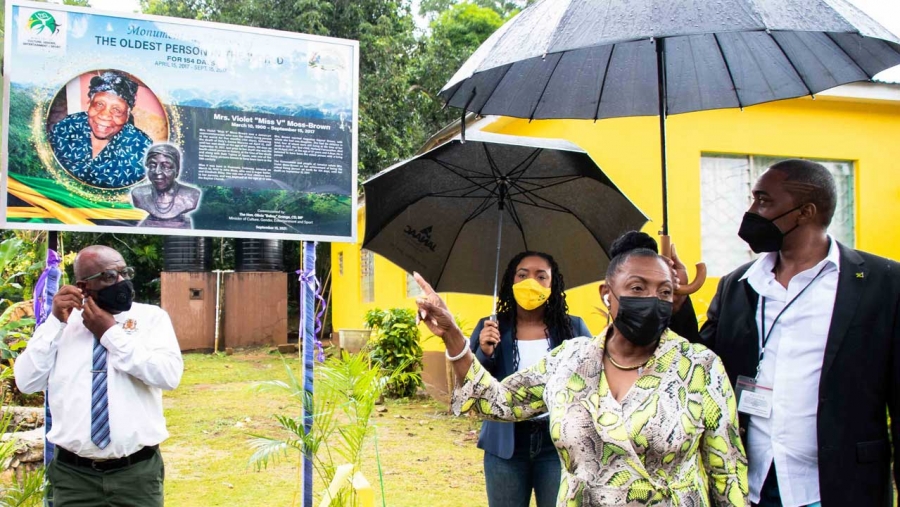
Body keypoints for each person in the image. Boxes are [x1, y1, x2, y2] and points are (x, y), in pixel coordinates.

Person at [414, 247, 749, 506]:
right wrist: (453, 336)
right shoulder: (571, 360)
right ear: (607, 293)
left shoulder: (699, 367)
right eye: (637, 287)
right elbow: (497, 403)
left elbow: (727, 472)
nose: (652, 299)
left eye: (664, 292)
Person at [697, 159, 900, 507]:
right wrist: (672, 304)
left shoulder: (884, 282)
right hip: (751, 484)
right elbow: (703, 366)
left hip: (837, 487)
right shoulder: (739, 284)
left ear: (805, 212)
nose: (751, 212)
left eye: (764, 201)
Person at [15, 245, 183, 507]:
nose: (121, 281)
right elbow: (26, 382)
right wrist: (54, 323)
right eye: (109, 276)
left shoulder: (151, 319)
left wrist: (110, 334)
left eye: (124, 273)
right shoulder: (61, 326)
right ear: (83, 286)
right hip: (74, 477)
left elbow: (168, 376)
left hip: (136, 474)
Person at [469, 251, 591, 507]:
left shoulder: (574, 329)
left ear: (552, 284)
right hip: (505, 446)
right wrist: (485, 352)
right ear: (511, 282)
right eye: (522, 275)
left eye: (540, 276)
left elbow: (592, 382)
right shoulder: (490, 328)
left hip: (558, 445)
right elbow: (470, 388)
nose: (530, 282)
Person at [49, 71, 153, 189]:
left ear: (127, 116)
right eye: (99, 104)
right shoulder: (67, 127)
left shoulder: (142, 149)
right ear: (89, 105)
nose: (104, 115)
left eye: (117, 110)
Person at [131, 143, 201, 229]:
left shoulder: (192, 195)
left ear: (177, 170)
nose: (157, 171)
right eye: (152, 166)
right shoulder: (138, 193)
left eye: (166, 167)